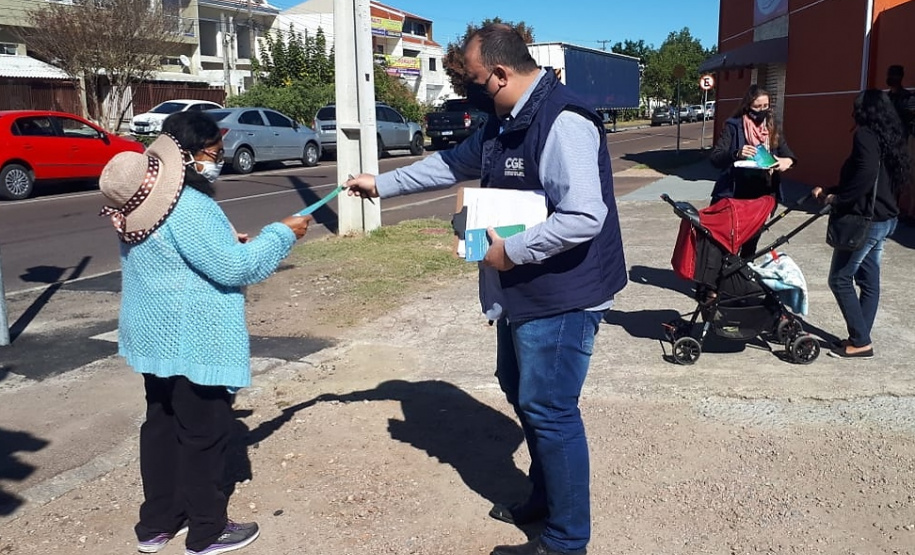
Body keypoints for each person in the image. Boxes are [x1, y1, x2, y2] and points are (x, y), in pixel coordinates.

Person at [347, 23, 626, 555]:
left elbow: (585, 216)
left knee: (550, 409)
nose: (469, 92)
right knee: (520, 389)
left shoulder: (563, 121)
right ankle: (545, 499)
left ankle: (567, 542)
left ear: (500, 74)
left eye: (475, 81)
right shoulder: (503, 122)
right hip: (522, 289)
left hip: (563, 294)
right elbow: (447, 165)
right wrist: (379, 184)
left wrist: (510, 252)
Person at [98, 111, 312, 555]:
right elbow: (236, 267)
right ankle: (208, 530)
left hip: (152, 338)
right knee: (204, 433)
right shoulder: (189, 206)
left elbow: (174, 251)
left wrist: (224, 237)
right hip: (192, 338)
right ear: (190, 156)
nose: (218, 160)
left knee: (161, 425)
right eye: (214, 153)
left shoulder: (137, 203)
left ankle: (158, 524)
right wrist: (282, 234)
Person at [812, 89, 912, 359]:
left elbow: (865, 174)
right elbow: (871, 177)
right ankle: (861, 335)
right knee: (868, 280)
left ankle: (860, 341)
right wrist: (834, 189)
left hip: (866, 220)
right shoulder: (892, 137)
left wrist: (839, 198)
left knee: (840, 278)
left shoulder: (865, 136)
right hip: (886, 218)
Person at [710, 84, 797, 258]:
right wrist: (736, 153)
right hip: (735, 193)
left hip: (763, 195)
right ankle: (720, 278)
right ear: (747, 106)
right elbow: (716, 158)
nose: (762, 111)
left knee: (751, 244)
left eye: (766, 106)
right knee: (727, 242)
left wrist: (787, 161)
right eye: (757, 107)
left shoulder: (772, 127)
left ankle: (741, 277)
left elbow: (788, 155)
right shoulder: (733, 126)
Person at [886, 65, 915, 136]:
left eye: (894, 75)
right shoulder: (886, 98)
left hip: (904, 137)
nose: (890, 78)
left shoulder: (907, 97)